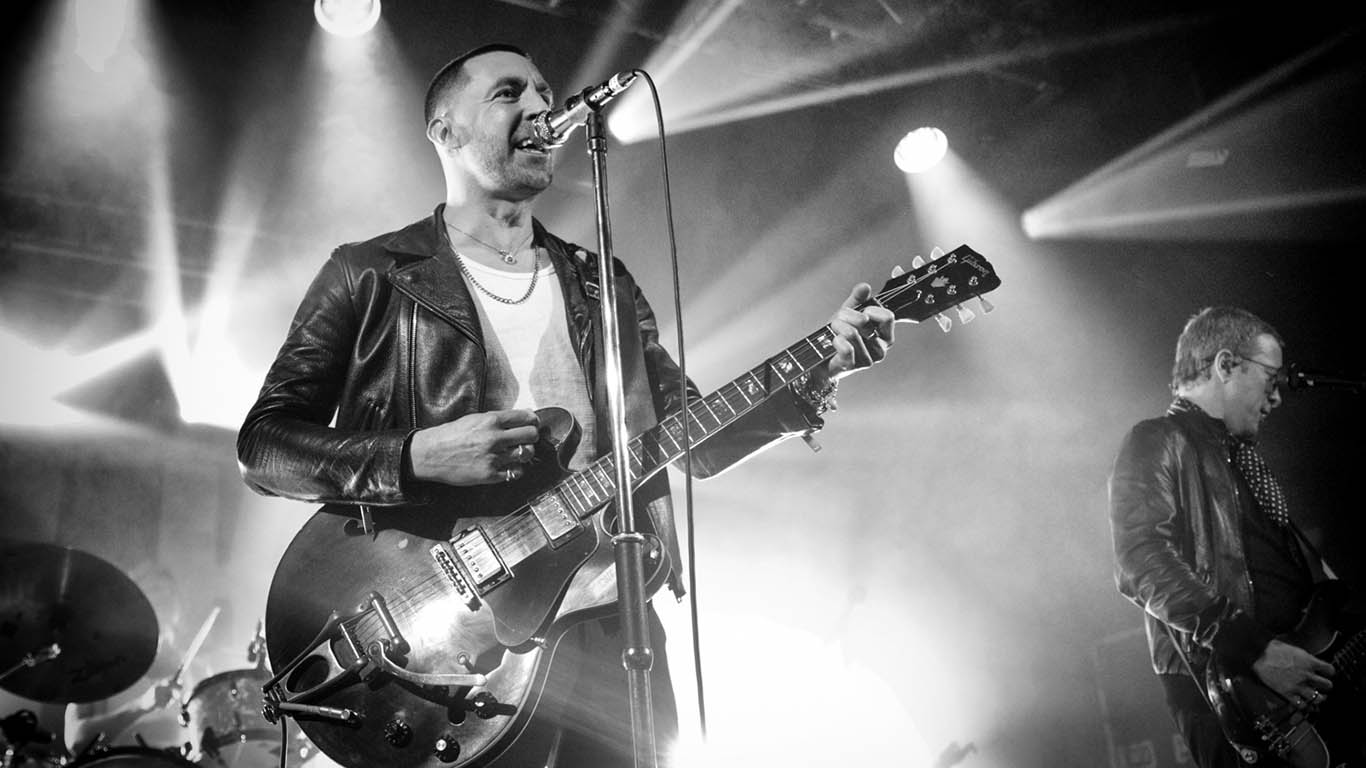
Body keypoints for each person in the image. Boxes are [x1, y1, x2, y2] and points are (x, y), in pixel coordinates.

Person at [237, 43, 894, 768]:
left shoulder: (599, 283)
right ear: (445, 131)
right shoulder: (370, 273)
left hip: (606, 614)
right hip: (442, 625)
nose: (541, 109)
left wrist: (820, 369)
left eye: (546, 93)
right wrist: (416, 455)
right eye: (509, 93)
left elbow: (695, 437)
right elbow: (263, 447)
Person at [1108, 307, 1359, 767]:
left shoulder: (1240, 459)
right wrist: (1253, 648)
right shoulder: (1159, 440)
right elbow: (1139, 561)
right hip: (1238, 697)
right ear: (1225, 365)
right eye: (1271, 377)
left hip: (1303, 695)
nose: (1277, 396)